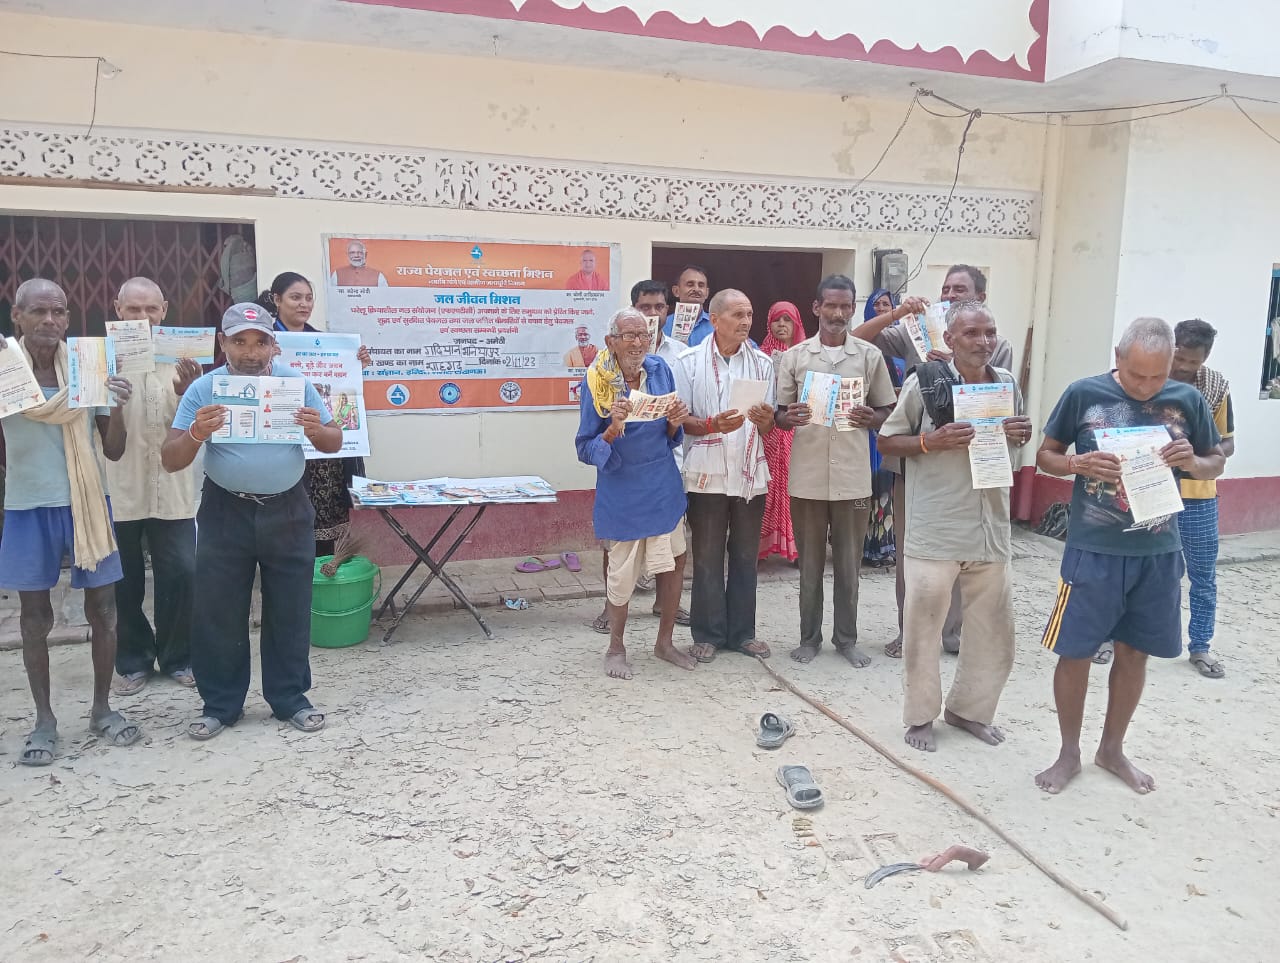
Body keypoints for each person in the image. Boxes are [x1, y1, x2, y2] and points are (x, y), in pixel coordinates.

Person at [1035, 317, 1224, 794]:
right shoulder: (1084, 393)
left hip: (1157, 549)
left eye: (1157, 376)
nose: (1146, 387)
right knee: (1075, 652)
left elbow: (1215, 460)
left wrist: (1192, 461)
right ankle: (1068, 753)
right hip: (1093, 549)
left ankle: (1112, 749)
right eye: (1137, 375)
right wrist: (1076, 463)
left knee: (1135, 652)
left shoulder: (1187, 399)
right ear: (1118, 358)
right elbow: (1045, 455)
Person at [162, 303, 344, 740]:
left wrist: (316, 431)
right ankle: (221, 705)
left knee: (290, 608)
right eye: (239, 342)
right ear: (222, 343)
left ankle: (290, 698)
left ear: (272, 345)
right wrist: (196, 433)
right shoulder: (205, 389)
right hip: (226, 511)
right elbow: (170, 458)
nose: (250, 352)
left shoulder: (295, 385)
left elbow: (334, 439)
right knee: (219, 610)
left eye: (260, 342)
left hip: (288, 510)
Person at [878, 301, 1032, 751]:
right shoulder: (924, 382)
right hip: (937, 527)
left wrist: (1019, 434)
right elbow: (887, 440)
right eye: (972, 334)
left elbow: (1015, 446)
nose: (984, 342)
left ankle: (969, 711)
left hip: (990, 524)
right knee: (923, 628)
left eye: (990, 333)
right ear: (949, 339)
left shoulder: (1006, 385)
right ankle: (920, 716)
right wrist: (931, 441)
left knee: (992, 630)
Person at [0, 279, 139, 764]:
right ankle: (44, 721)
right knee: (34, 619)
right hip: (28, 507)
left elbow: (114, 449)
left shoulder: (87, 366)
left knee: (104, 611)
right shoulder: (6, 368)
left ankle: (102, 709)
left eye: (58, 312)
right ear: (16, 316)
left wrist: (117, 406)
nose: (49, 321)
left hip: (88, 504)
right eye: (38, 311)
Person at [852, 265, 1013, 659]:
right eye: (946, 288)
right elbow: (859, 339)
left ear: (980, 297)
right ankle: (908, 631)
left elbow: (1001, 404)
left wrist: (957, 366)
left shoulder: (995, 344)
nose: (950, 295)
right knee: (915, 549)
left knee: (966, 551)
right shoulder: (916, 329)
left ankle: (952, 633)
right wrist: (898, 313)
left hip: (972, 465)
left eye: (960, 289)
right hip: (915, 459)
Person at [774, 276, 897, 667]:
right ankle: (808, 638)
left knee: (848, 565)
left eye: (845, 306)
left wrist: (870, 417)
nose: (838, 313)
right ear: (817, 308)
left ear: (852, 308)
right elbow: (779, 414)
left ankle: (846, 639)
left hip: (853, 480)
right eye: (831, 305)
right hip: (807, 478)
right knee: (810, 566)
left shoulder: (869, 356)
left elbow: (888, 411)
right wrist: (789, 417)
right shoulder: (795, 357)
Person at [576, 308, 695, 679]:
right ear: (611, 341)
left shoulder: (660, 370)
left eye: (644, 335)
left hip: (661, 484)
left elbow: (671, 435)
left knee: (674, 561)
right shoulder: (596, 381)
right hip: (623, 487)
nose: (639, 343)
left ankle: (665, 643)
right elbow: (584, 447)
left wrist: (675, 422)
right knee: (622, 574)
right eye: (630, 335)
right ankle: (616, 648)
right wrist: (612, 429)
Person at [106, 277, 203, 695]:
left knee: (181, 572)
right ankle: (133, 660)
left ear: (164, 310)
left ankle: (179, 657)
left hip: (173, 487)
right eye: (133, 309)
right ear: (117, 309)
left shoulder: (184, 360)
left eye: (151, 309)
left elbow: (195, 427)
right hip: (120, 486)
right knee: (122, 578)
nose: (142, 318)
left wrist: (186, 393)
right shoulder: (102, 361)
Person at [673, 289, 776, 661]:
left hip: (749, 473)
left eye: (749, 314)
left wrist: (766, 421)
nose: (746, 322)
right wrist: (710, 425)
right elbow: (679, 419)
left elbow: (769, 425)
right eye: (737, 315)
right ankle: (708, 634)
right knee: (707, 555)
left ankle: (743, 634)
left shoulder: (763, 364)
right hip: (707, 473)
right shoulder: (688, 362)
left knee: (746, 556)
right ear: (714, 320)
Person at [258, 272, 371, 557]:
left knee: (326, 521)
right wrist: (266, 362)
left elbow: (341, 389)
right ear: (276, 299)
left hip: (322, 449)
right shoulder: (261, 343)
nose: (304, 304)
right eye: (295, 297)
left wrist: (355, 365)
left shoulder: (326, 343)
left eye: (309, 298)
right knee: (285, 521)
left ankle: (324, 573)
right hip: (283, 442)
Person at [1170, 318, 1234, 678]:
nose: (1182, 367)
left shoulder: (1216, 388)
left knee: (1203, 576)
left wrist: (1195, 456)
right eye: (1178, 358)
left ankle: (1200, 646)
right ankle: (1115, 638)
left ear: (1204, 359)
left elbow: (1228, 443)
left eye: (1192, 362)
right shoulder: (1149, 379)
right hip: (1149, 491)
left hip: (1198, 496)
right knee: (1134, 570)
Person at [758, 301, 805, 563]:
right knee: (765, 486)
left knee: (793, 488)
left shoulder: (805, 354)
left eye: (788, 320)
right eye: (777, 319)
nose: (782, 325)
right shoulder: (759, 356)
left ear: (796, 323)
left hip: (795, 431)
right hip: (767, 432)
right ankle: (759, 546)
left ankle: (794, 548)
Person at [862, 289, 901, 569]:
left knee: (888, 489)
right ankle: (866, 547)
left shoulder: (904, 346)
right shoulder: (861, 347)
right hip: (868, 427)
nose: (881, 309)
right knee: (870, 488)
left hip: (897, 426)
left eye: (886, 305)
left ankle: (886, 546)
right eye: (876, 305)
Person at [661, 265, 712, 347]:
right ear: (676, 291)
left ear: (707, 293)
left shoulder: (717, 325)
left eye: (701, 285)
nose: (696, 289)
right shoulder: (663, 325)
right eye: (690, 284)